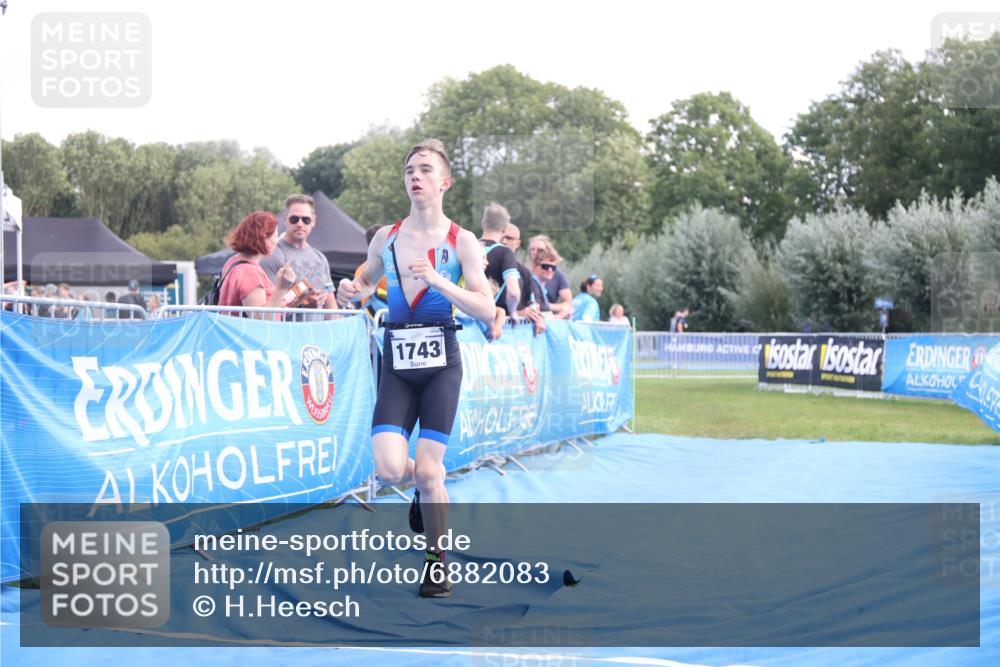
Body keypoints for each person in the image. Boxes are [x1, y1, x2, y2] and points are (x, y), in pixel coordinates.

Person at [337, 138, 493, 598]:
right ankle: (428, 490)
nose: (415, 176)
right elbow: (366, 281)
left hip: (442, 361)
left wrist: (439, 280)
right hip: (397, 361)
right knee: (389, 471)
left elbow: (486, 309)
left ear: (444, 181)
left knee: (428, 471)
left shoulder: (461, 240)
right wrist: (352, 290)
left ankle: (435, 563)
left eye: (425, 169)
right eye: (409, 170)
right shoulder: (386, 236)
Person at [260, 194, 334, 318]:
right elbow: (268, 309)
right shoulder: (272, 256)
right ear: (285, 219)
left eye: (306, 220)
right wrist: (303, 303)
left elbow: (331, 307)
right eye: (294, 219)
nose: (300, 224)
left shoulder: (320, 258)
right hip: (286, 335)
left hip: (317, 335)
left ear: (313, 221)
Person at [218, 211, 296, 318]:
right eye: (276, 236)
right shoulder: (249, 272)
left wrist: (279, 305)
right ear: (263, 237)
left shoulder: (233, 261)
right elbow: (260, 320)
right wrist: (281, 288)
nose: (277, 241)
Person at [479, 203, 521, 340]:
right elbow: (513, 292)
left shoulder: (468, 245)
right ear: (504, 229)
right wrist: (513, 311)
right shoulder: (505, 252)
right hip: (487, 325)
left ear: (483, 224)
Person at [527, 235, 572, 318]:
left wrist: (548, 306)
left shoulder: (557, 275)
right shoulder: (525, 275)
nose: (536, 252)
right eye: (533, 249)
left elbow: (568, 303)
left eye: (540, 250)